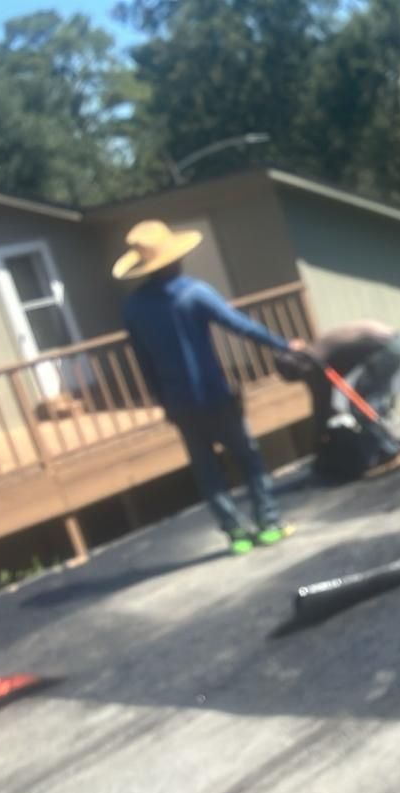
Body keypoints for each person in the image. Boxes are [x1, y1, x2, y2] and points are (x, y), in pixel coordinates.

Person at [116, 219, 304, 556]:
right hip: (214, 395)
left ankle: (236, 535)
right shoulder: (193, 293)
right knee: (248, 458)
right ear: (174, 258)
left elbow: (143, 361)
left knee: (207, 470)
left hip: (178, 402)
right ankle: (269, 524)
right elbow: (240, 326)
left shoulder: (135, 308)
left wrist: (163, 402)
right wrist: (284, 345)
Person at [275, 321, 400, 482]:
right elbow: (325, 399)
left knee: (361, 406)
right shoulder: (315, 351)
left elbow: (321, 403)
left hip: (386, 347)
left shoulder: (314, 362)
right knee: (371, 401)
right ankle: (388, 444)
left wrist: (319, 437)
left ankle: (390, 453)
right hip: (392, 341)